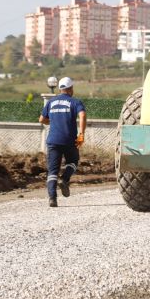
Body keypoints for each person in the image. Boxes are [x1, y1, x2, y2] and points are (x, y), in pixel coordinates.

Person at [39, 77, 86, 207]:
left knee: (52, 170)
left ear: (60, 89)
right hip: (69, 140)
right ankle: (64, 179)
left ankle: (52, 199)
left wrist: (52, 121)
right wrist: (81, 134)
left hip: (53, 140)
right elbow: (82, 115)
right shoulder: (75, 102)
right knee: (73, 161)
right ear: (71, 89)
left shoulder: (51, 102)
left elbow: (41, 119)